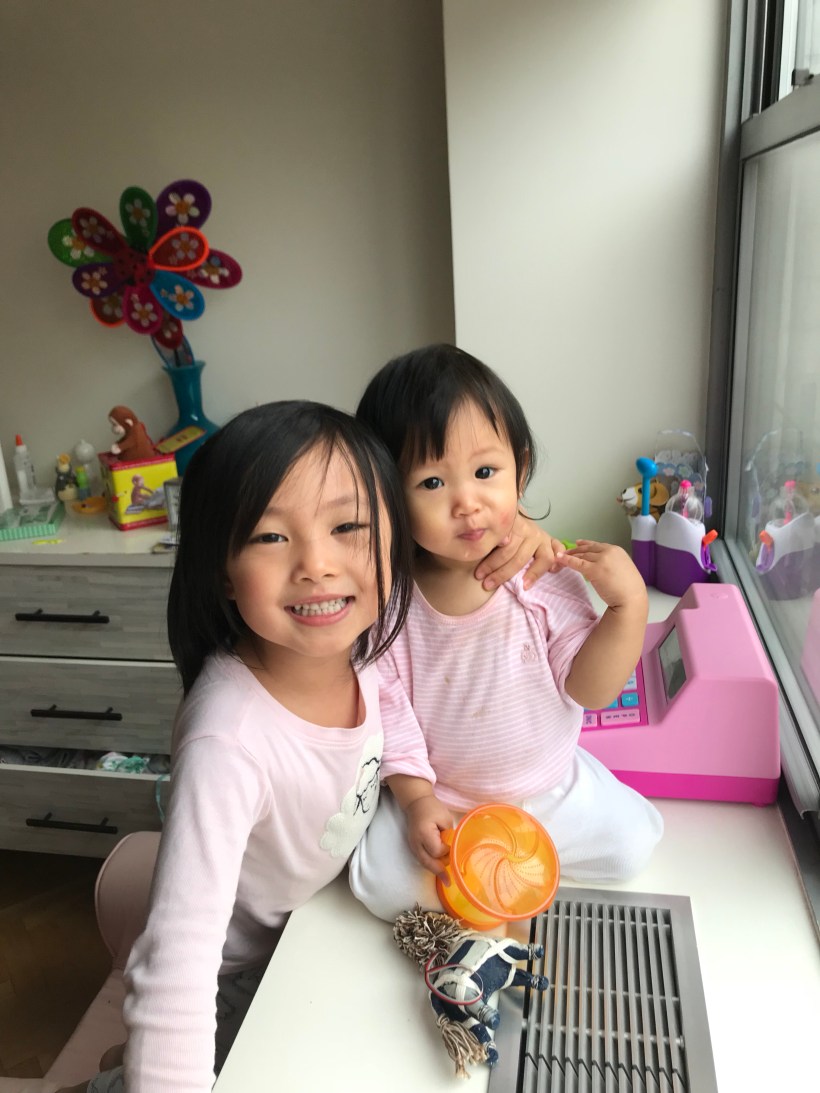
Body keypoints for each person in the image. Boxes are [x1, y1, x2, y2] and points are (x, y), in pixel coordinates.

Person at [60, 401, 415, 1093]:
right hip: (237, 973)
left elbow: (400, 704)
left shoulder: (360, 643)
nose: (318, 564)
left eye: (347, 527)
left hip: (315, 923)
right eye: (270, 536)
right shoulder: (229, 741)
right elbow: (177, 968)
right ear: (221, 569)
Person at [348, 344, 663, 923]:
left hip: (545, 786)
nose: (467, 503)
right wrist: (417, 801)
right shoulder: (391, 601)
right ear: (388, 495)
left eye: (485, 473)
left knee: (631, 847)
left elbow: (590, 690)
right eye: (432, 482)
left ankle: (521, 857)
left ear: (519, 466)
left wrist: (629, 607)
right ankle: (479, 876)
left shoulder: (541, 573)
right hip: (443, 796)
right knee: (380, 885)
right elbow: (390, 713)